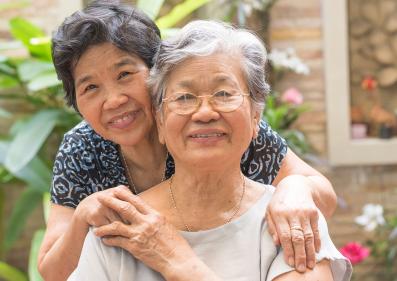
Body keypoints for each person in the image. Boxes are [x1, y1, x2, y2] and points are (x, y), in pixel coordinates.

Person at [38, 1, 337, 280]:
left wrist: (294, 187)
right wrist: (82, 218)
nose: (114, 99)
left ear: (157, 73)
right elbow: (53, 271)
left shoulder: (224, 129)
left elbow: (322, 193)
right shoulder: (82, 147)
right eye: (90, 87)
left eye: (125, 74)